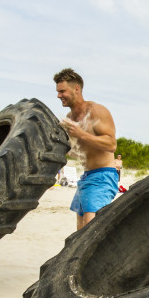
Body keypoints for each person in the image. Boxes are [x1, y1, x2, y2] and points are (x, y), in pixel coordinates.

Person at [54, 68, 118, 230]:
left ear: (76, 89)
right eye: (57, 91)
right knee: (80, 233)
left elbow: (111, 145)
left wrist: (81, 134)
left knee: (90, 232)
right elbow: (78, 151)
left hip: (103, 177)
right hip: (86, 177)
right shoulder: (69, 119)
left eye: (62, 91)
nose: (58, 96)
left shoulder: (96, 111)